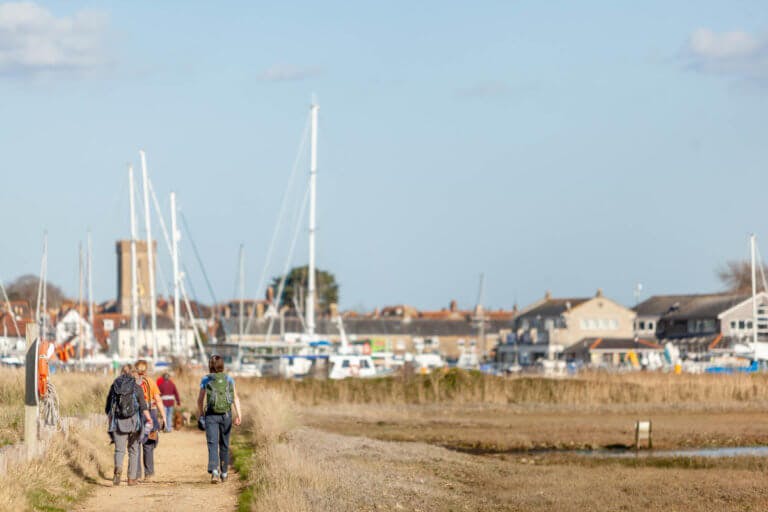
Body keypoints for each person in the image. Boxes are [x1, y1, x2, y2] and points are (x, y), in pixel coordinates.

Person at [197, 354, 242, 483]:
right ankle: (225, 473)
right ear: (222, 365)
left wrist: (201, 414)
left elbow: (200, 399)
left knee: (212, 443)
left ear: (210, 366)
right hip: (226, 415)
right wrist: (239, 415)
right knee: (224, 444)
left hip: (211, 415)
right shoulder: (229, 379)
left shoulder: (206, 379)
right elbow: (235, 398)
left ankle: (215, 472)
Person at [106, 364, 152, 486]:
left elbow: (108, 407)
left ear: (121, 373)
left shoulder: (114, 387)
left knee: (119, 450)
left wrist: (110, 421)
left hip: (118, 422)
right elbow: (143, 407)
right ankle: (132, 479)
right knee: (133, 450)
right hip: (134, 423)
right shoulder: (137, 388)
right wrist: (149, 419)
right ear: (134, 375)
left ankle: (118, 469)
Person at [135, 359, 167, 481]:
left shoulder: (133, 382)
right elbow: (158, 400)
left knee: (136, 445)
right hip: (151, 413)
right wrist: (164, 417)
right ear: (146, 369)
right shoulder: (151, 382)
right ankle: (149, 473)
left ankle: (136, 474)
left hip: (136, 414)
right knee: (148, 444)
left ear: (136, 369)